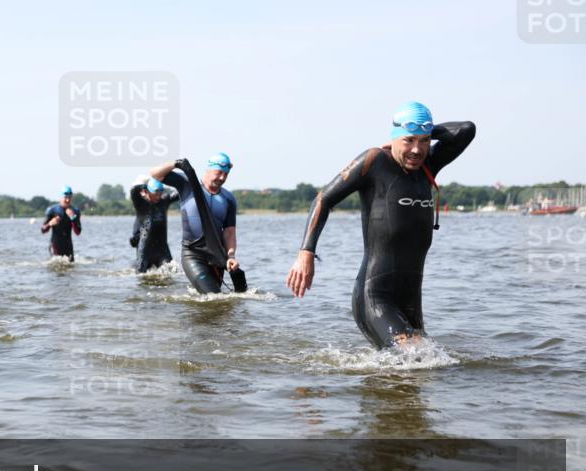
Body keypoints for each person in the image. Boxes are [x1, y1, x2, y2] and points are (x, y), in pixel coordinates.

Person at [285, 102, 476, 348]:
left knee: (413, 373)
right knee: (417, 358)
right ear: (393, 137)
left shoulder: (428, 164)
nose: (417, 150)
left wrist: (425, 132)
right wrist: (306, 252)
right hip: (375, 297)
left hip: (411, 299)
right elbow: (323, 199)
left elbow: (466, 130)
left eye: (424, 141)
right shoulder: (375, 161)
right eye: (409, 140)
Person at [150, 153, 240, 293]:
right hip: (192, 254)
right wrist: (176, 163)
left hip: (217, 257)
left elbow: (229, 232)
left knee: (215, 303)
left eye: (226, 174)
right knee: (213, 295)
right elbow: (155, 174)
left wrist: (231, 256)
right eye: (219, 173)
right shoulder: (187, 184)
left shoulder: (228, 199)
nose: (222, 178)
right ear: (209, 169)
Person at [129, 178, 180, 272]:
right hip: (145, 250)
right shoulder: (141, 204)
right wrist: (144, 186)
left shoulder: (164, 201)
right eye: (155, 193)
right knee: (141, 276)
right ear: (146, 191)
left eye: (160, 193)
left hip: (162, 249)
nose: (158, 196)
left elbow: (180, 192)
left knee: (172, 272)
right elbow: (134, 191)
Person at [41, 185, 82, 261]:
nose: (67, 200)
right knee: (57, 266)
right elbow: (43, 230)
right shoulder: (52, 210)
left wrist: (72, 218)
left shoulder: (75, 211)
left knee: (70, 268)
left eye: (69, 197)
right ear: (61, 197)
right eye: (65, 197)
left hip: (68, 247)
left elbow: (78, 232)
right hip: (55, 245)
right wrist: (50, 224)